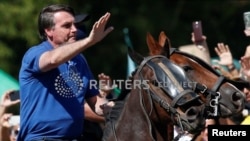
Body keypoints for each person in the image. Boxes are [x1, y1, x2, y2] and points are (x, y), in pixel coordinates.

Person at [18, 4, 114, 141]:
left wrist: (119, 108)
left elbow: (96, 102)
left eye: (74, 25)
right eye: (67, 26)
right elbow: (52, 60)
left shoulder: (79, 60)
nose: (75, 30)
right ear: (49, 31)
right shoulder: (34, 54)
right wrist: (89, 41)